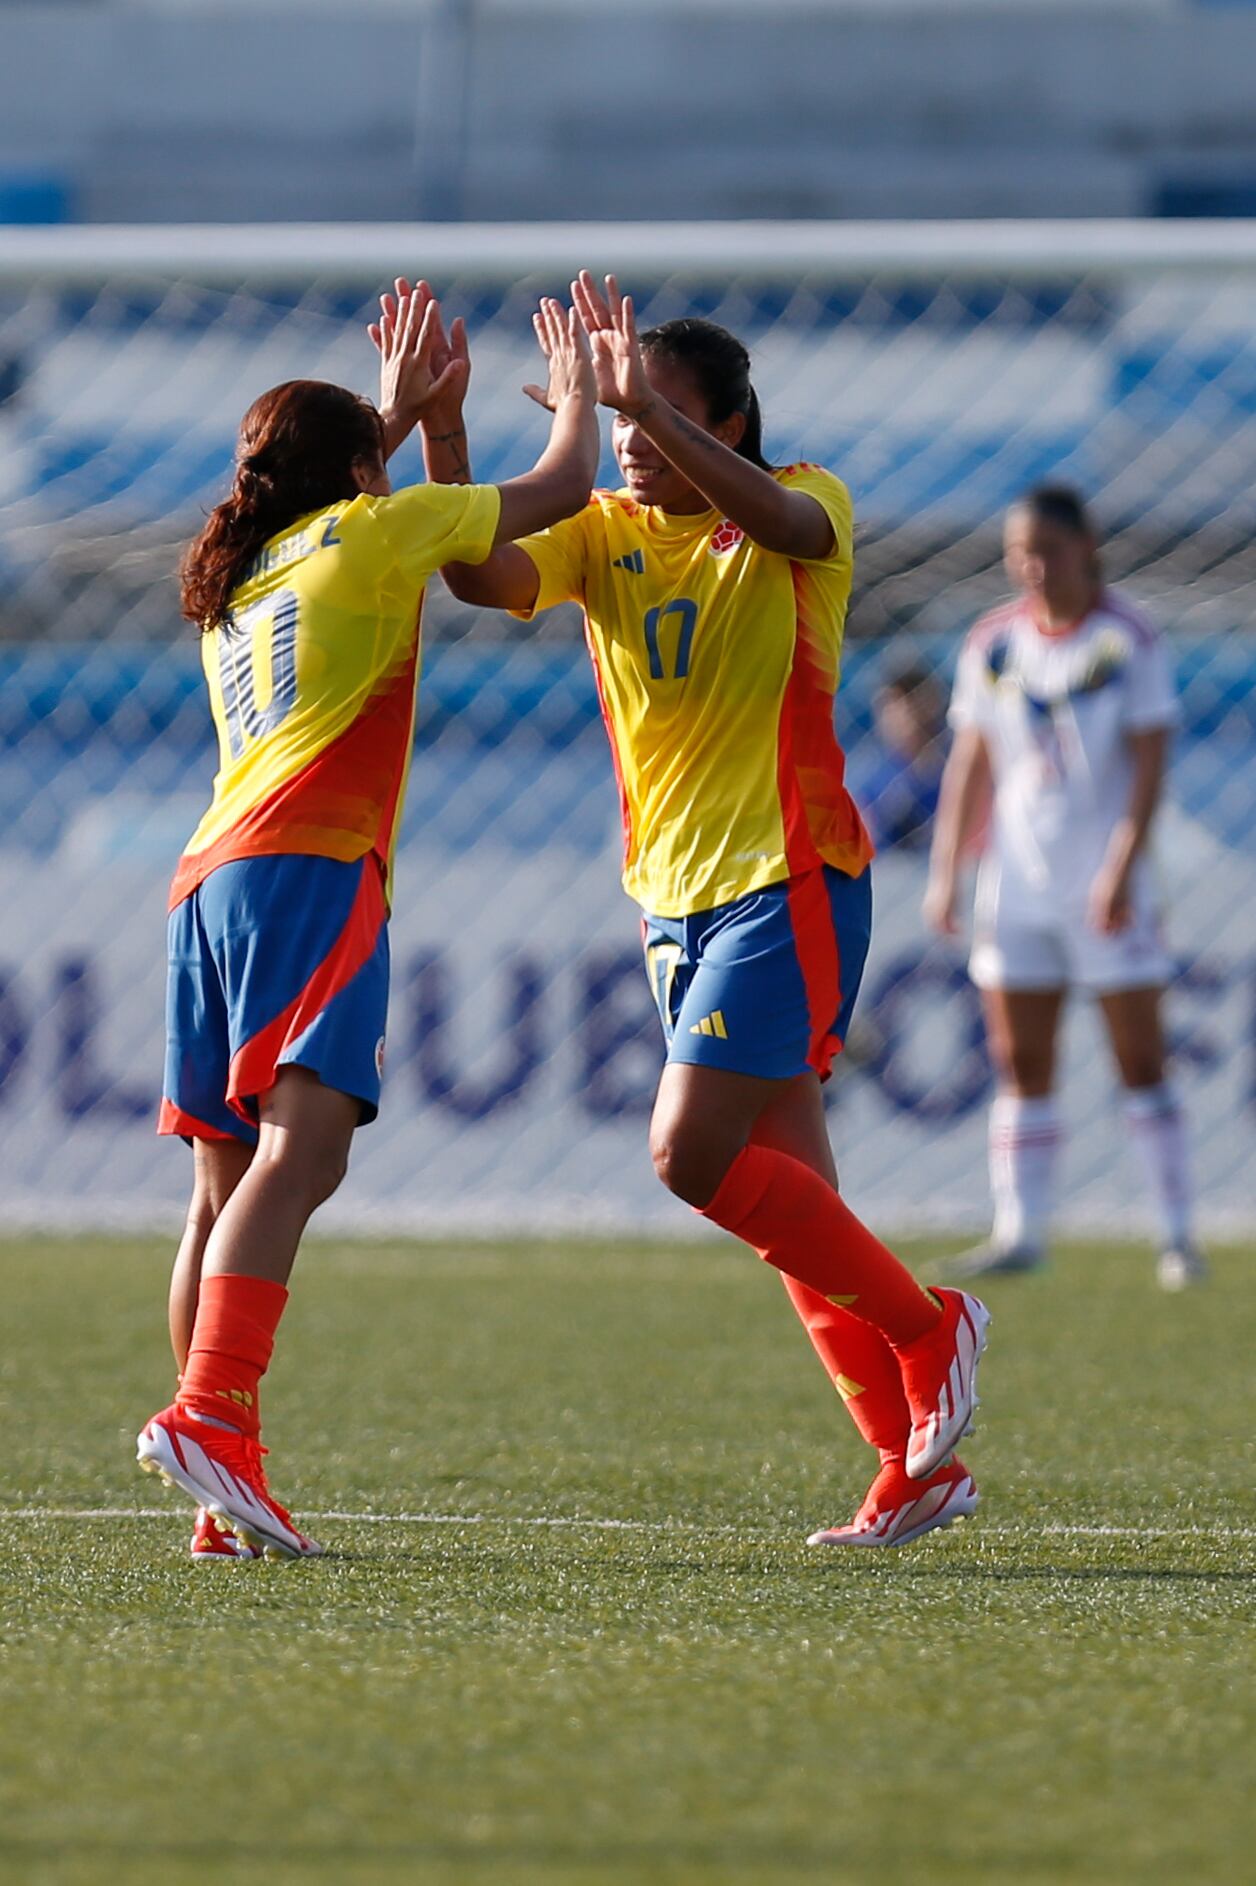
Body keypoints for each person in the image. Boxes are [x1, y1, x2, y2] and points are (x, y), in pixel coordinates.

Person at [402, 270, 990, 1549]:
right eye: (615, 416)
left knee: (686, 1154)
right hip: (670, 903)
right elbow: (477, 577)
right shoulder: (606, 532)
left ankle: (927, 1326)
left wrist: (645, 413)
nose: (624, 435)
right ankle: (908, 1461)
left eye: (656, 413)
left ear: (724, 423)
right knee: (793, 1205)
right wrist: (448, 432)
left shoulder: (802, 504)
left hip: (788, 879)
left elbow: (787, 521)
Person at [137, 285, 600, 1560]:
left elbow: (348, 506)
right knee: (308, 1152)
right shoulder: (378, 532)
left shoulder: (247, 571)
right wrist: (574, 389)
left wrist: (396, 415)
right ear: (357, 470)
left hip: (205, 877)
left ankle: (211, 1483)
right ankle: (215, 1417)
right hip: (310, 864)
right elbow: (561, 486)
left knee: (218, 1185)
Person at [924, 484, 1203, 1290]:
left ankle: (1177, 1235)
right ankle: (1020, 1230)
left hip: (1103, 881)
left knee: (1139, 1056)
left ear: (1086, 548)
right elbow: (971, 762)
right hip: (1015, 881)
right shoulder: (993, 644)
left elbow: (1150, 763)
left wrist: (1122, 865)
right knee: (1020, 1058)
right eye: (1020, 551)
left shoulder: (1127, 640)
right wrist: (950, 871)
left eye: (1047, 548)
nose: (1032, 566)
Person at [855, 658, 948, 851]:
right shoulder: (873, 777)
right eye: (890, 703)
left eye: (910, 697)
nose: (902, 712)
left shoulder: (958, 766)